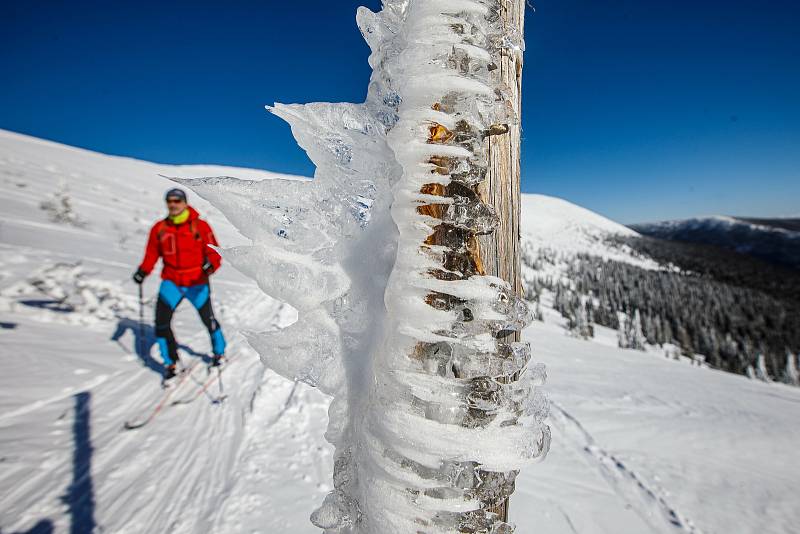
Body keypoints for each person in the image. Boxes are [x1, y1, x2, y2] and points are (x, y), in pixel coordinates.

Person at [132, 188, 226, 379]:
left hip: (196, 281)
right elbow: (151, 254)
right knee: (161, 323)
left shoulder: (200, 227)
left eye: (177, 200)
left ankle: (219, 353)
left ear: (184, 203)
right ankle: (171, 363)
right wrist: (143, 270)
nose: (173, 204)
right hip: (172, 282)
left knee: (208, 320)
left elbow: (214, 252)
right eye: (170, 201)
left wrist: (210, 265)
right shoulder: (159, 228)